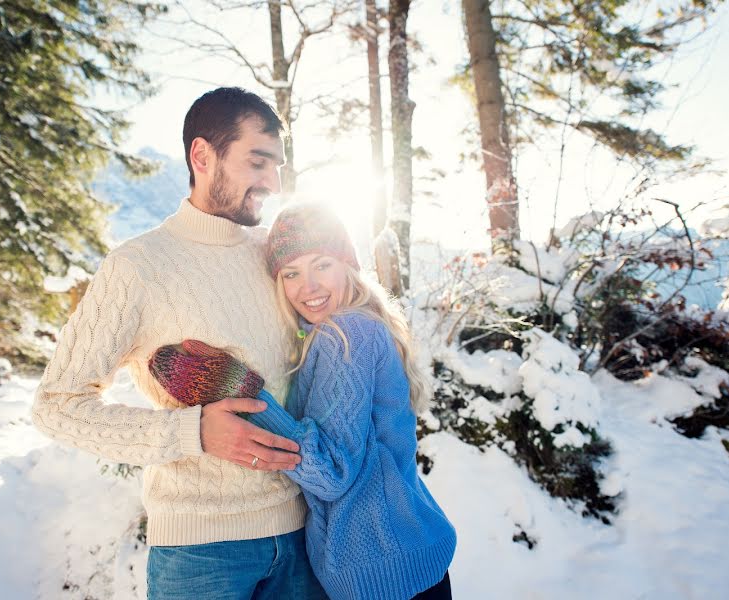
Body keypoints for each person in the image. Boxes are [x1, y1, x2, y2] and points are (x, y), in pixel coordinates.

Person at [31, 87, 326, 599]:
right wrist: (193, 434)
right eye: (258, 162)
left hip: (305, 539)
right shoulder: (138, 266)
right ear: (202, 155)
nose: (272, 183)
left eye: (277, 166)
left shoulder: (276, 258)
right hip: (201, 553)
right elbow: (57, 406)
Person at [152, 204, 456, 599]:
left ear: (347, 264)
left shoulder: (345, 335)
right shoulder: (354, 326)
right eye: (291, 273)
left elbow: (329, 471)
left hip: (383, 575)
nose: (308, 286)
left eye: (322, 265)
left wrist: (239, 389)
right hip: (408, 556)